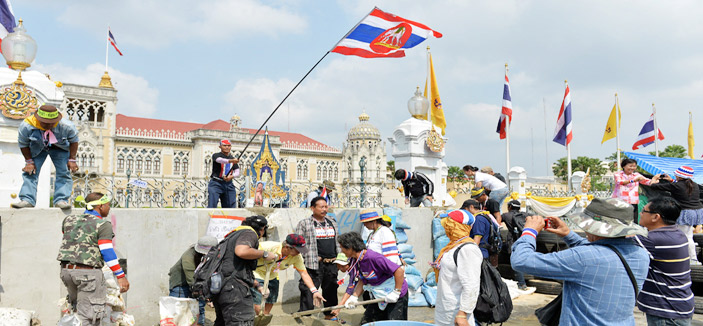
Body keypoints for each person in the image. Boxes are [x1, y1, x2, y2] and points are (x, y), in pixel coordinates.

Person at [511, 198, 650, 325]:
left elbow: (521, 260)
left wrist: (529, 232)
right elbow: (602, 251)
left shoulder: (583, 258)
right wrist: (568, 234)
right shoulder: (641, 255)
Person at [57, 192, 130, 325]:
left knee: (76, 312)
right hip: (88, 274)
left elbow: (71, 240)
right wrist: (120, 275)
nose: (109, 208)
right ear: (100, 206)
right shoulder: (103, 224)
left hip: (66, 272)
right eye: (108, 205)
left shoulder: (69, 220)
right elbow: (107, 251)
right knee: (89, 317)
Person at [635, 197, 694, 325]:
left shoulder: (652, 239)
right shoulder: (678, 234)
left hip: (666, 312)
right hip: (679, 306)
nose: (640, 213)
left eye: (644, 211)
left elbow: (617, 240)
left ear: (656, 217)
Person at [212, 215, 276, 326]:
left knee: (222, 322)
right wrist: (264, 254)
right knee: (242, 321)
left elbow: (239, 269)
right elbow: (241, 251)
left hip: (222, 287)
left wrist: (258, 286)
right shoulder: (249, 233)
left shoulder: (232, 236)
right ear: (262, 229)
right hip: (234, 291)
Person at [13, 105, 79, 209]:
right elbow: (23, 144)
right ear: (38, 119)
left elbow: (74, 141)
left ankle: (61, 200)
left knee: (64, 172)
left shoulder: (66, 126)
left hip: (60, 147)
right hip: (37, 147)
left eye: (51, 124)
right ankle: (27, 200)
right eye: (45, 123)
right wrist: (29, 162)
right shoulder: (26, 125)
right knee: (30, 172)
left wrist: (72, 160)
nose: (48, 126)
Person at [339, 232, 409, 323]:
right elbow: (363, 279)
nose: (341, 251)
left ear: (350, 247)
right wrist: (354, 297)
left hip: (395, 294)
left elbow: (399, 271)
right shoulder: (356, 261)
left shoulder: (373, 258)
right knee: (367, 322)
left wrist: (396, 292)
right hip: (378, 295)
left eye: (342, 248)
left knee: (394, 323)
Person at [252, 234, 324, 316]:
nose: (299, 253)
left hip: (272, 275)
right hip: (256, 274)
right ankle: (259, 316)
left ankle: (263, 318)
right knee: (258, 301)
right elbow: (248, 252)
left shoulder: (297, 257)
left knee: (271, 300)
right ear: (287, 247)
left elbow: (304, 273)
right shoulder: (268, 246)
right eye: (297, 250)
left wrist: (314, 291)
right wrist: (263, 254)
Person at [433, 209, 482, 326]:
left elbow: (471, 284)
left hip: (455, 312)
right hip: (445, 310)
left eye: (448, 224)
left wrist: (462, 314)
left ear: (456, 227)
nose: (446, 228)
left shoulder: (468, 249)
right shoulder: (452, 247)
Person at [295, 196, 340, 321]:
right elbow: (298, 244)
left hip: (331, 263)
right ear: (312, 208)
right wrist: (310, 256)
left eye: (326, 206)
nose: (324, 209)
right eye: (321, 207)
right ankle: (305, 317)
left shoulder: (332, 222)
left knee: (331, 290)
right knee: (308, 290)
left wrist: (339, 260)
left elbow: (337, 242)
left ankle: (330, 316)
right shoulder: (304, 223)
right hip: (313, 264)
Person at [650, 166, 703, 265]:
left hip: (686, 212)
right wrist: (671, 180)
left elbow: (653, 186)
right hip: (696, 211)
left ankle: (693, 259)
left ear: (679, 176)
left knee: (686, 236)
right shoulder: (694, 184)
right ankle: (689, 257)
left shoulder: (677, 186)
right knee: (688, 233)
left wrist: (654, 179)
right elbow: (680, 187)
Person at [168, 235, 218, 326]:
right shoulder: (188, 257)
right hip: (181, 284)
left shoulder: (212, 257)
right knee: (177, 311)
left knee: (199, 309)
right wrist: (206, 296)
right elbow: (192, 281)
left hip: (199, 284)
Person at [463, 198, 500, 266]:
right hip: (483, 253)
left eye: (465, 210)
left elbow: (477, 237)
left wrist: (471, 254)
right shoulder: (486, 215)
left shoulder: (478, 219)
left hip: (480, 254)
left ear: (471, 207)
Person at [612, 158, 651, 222]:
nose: (632, 168)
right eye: (630, 166)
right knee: (620, 220)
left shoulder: (636, 175)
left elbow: (647, 181)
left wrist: (655, 180)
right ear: (624, 166)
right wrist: (633, 180)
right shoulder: (618, 174)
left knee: (633, 220)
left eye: (634, 166)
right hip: (620, 201)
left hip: (633, 201)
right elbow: (620, 182)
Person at [501, 200, 528, 290]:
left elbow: (496, 221)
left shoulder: (506, 215)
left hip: (512, 241)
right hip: (525, 240)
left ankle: (521, 284)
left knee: (516, 261)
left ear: (510, 207)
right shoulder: (525, 215)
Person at [208, 139, 240, 208]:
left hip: (228, 184)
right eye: (224, 146)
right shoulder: (216, 155)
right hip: (216, 183)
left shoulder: (232, 158)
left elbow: (237, 172)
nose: (227, 147)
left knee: (231, 205)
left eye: (228, 146)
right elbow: (220, 160)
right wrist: (231, 161)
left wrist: (231, 177)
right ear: (220, 147)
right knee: (212, 205)